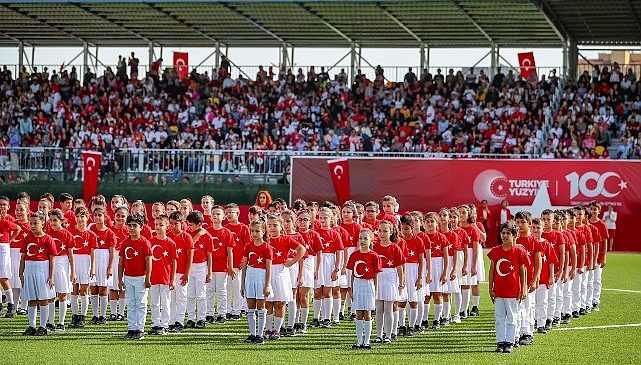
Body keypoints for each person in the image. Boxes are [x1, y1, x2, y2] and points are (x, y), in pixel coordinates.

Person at [488, 221, 528, 354]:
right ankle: (500, 342)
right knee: (499, 317)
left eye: (508, 233)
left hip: (513, 292)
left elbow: (523, 271)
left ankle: (510, 342)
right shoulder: (495, 251)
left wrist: (523, 288)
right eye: (503, 233)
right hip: (499, 291)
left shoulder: (519, 251)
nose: (505, 236)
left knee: (512, 317)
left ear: (515, 235)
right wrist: (490, 288)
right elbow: (492, 270)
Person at [264, 213, 305, 340]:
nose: (272, 228)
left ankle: (276, 330)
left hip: (281, 272)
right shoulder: (265, 240)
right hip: (266, 272)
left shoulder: (286, 239)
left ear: (281, 226)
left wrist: (292, 261)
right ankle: (268, 329)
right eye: (269, 225)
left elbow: (302, 249)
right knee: (268, 303)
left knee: (280, 303)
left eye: (275, 225)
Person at [19, 211, 56, 336]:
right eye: (31, 223)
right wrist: (21, 273)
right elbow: (23, 257)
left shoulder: (48, 239)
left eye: (36, 223)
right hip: (29, 270)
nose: (33, 225)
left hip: (42, 269)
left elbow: (52, 259)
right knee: (32, 299)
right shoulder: (27, 238)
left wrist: (51, 277)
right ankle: (32, 325)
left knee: (43, 298)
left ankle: (42, 326)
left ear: (43, 223)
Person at [118, 214, 152, 340]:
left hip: (141, 277)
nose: (132, 228)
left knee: (141, 303)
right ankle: (131, 328)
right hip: (128, 277)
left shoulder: (145, 242)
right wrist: (119, 278)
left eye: (135, 226)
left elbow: (149, 261)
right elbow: (121, 262)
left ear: (141, 227)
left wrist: (148, 278)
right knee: (131, 303)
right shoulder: (125, 242)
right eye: (130, 225)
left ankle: (140, 328)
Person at [347, 228, 381, 349]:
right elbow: (352, 273)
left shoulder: (374, 256)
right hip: (357, 284)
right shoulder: (354, 255)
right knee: (358, 313)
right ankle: (359, 341)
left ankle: (367, 341)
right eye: (360, 238)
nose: (362, 241)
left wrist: (376, 290)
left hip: (368, 284)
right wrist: (350, 288)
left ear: (371, 240)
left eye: (365, 238)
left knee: (367, 312)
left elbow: (376, 275)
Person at [241, 218, 272, 344]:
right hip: (250, 277)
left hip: (261, 277)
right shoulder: (248, 246)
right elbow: (244, 266)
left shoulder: (267, 247)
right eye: (252, 231)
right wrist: (242, 284)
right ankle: (252, 334)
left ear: (263, 231)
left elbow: (269, 269)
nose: (254, 234)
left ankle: (260, 335)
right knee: (250, 306)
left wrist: (267, 285)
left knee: (261, 306)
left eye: (257, 231)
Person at [373, 220, 404, 343]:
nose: (382, 233)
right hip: (378, 278)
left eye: (385, 231)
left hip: (390, 278)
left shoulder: (395, 247)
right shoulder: (374, 247)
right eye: (380, 231)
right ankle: (379, 334)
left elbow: (400, 267)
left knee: (388, 308)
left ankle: (388, 335)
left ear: (391, 232)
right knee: (379, 308)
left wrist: (401, 283)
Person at [312, 207, 343, 328]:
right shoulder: (315, 233)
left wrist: (336, 269)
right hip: (317, 261)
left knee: (328, 291)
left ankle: (327, 318)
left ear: (331, 218)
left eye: (326, 217)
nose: (323, 220)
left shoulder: (335, 233)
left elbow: (339, 252)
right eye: (321, 217)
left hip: (330, 262)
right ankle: (316, 317)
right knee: (317, 291)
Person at [514, 211, 542, 346]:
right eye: (517, 222)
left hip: (529, 280)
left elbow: (538, 263)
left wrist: (535, 279)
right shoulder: (513, 240)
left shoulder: (534, 241)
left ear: (530, 224)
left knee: (528, 306)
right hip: (515, 281)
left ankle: (528, 333)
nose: (519, 225)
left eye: (522, 222)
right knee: (517, 307)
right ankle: (517, 332)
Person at [204, 205, 235, 324]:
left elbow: (230, 251)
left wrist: (230, 266)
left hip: (222, 267)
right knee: (210, 290)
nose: (215, 216)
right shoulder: (207, 232)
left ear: (223, 217)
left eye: (218, 214)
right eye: (213, 214)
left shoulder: (227, 233)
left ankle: (222, 313)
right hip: (209, 267)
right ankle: (209, 313)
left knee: (222, 291)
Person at [68, 207, 98, 328]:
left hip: (85, 262)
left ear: (87, 218)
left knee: (84, 290)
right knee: (74, 290)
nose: (80, 219)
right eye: (78, 216)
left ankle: (83, 317)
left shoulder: (91, 235)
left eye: (82, 216)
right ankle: (75, 316)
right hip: (74, 261)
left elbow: (92, 253)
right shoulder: (71, 233)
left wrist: (92, 268)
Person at [46, 209, 76, 331]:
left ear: (61, 221)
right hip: (49, 263)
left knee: (62, 293)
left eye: (55, 220)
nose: (53, 223)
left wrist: (73, 271)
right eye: (51, 220)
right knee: (50, 294)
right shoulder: (47, 233)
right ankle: (51, 321)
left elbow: (71, 255)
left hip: (63, 263)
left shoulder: (67, 234)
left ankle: (61, 322)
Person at [294, 209, 323, 334]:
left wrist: (317, 270)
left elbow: (319, 253)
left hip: (308, 263)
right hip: (295, 263)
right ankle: (294, 321)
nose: (302, 222)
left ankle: (303, 323)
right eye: (300, 219)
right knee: (295, 295)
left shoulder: (314, 234)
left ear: (310, 222)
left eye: (305, 220)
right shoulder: (293, 234)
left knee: (304, 295)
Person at [148, 215, 177, 335]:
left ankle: (164, 325)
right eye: (156, 225)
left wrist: (173, 279)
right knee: (154, 303)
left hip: (165, 277)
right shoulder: (150, 241)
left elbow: (174, 261)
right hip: (153, 277)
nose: (158, 227)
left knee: (165, 303)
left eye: (161, 225)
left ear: (167, 227)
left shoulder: (171, 243)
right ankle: (155, 324)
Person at [184, 211, 213, 329]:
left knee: (201, 294)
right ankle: (191, 318)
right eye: (188, 224)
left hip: (201, 266)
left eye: (191, 225)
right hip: (190, 266)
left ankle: (201, 318)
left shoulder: (207, 236)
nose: (189, 227)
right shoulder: (187, 234)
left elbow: (209, 255)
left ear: (199, 224)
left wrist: (209, 272)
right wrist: (198, 234)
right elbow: (189, 244)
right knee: (190, 294)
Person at [167, 211, 194, 333]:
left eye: (176, 224)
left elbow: (190, 257)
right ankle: (171, 321)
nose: (173, 226)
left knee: (182, 297)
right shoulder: (168, 236)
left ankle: (180, 321)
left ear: (182, 223)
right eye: (171, 223)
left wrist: (187, 273)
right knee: (171, 299)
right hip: (170, 273)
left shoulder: (186, 237)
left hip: (182, 272)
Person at [89, 207, 116, 325]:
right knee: (93, 287)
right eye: (95, 215)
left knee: (103, 288)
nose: (97, 217)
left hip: (104, 260)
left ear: (105, 217)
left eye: (100, 215)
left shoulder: (110, 232)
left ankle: (103, 315)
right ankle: (95, 315)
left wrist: (110, 267)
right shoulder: (91, 230)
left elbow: (112, 252)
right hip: (93, 258)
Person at [398, 215, 424, 335]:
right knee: (401, 301)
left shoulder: (418, 241)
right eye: (402, 228)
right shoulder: (398, 241)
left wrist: (419, 277)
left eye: (407, 228)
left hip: (413, 270)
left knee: (413, 301)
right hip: (401, 270)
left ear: (412, 228)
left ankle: (412, 326)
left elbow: (421, 260)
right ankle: (402, 326)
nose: (404, 231)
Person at [530, 218, 557, 334]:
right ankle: (532, 322)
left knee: (542, 302)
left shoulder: (547, 244)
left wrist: (551, 276)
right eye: (533, 227)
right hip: (530, 280)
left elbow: (551, 261)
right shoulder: (528, 242)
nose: (536, 230)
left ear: (543, 228)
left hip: (543, 279)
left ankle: (541, 324)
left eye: (538, 228)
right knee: (531, 303)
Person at [224, 203, 250, 321]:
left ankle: (237, 310)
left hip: (238, 264)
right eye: (227, 212)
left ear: (238, 213)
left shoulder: (243, 228)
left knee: (238, 287)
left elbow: (247, 246)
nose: (229, 214)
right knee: (227, 288)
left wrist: (242, 262)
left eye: (231, 212)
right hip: (228, 265)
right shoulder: (225, 228)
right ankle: (228, 310)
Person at [0, 196, 22, 317]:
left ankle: (11, 305)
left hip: (3, 248)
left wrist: (10, 240)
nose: (2, 207)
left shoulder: (6, 220)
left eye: (4, 204)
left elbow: (17, 228)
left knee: (3, 278)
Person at [588, 201, 608, 312]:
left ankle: (595, 301)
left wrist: (604, 256)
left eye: (595, 209)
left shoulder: (601, 224)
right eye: (591, 209)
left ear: (599, 211)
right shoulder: (586, 224)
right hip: (587, 258)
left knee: (596, 279)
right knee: (587, 281)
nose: (593, 211)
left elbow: (605, 241)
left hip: (598, 257)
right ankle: (587, 302)